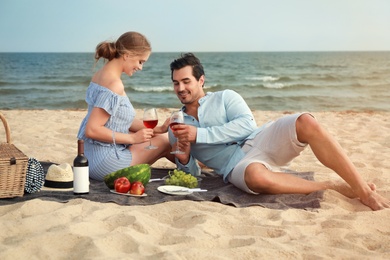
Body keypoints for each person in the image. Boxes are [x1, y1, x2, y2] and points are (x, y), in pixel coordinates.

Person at [168, 52, 390, 211]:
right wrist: (185, 157)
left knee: (306, 121)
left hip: (260, 139)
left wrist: (200, 135)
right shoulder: (175, 128)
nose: (181, 89)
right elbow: (190, 178)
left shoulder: (226, 97)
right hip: (237, 167)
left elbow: (246, 125)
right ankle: (331, 187)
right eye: (176, 83)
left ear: (201, 80)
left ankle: (364, 190)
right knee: (256, 177)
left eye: (186, 81)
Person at [77, 31, 173, 181]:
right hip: (106, 163)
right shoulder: (115, 84)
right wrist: (133, 138)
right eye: (141, 61)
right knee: (167, 140)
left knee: (161, 136)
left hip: (92, 159)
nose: (140, 67)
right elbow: (92, 130)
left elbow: (118, 119)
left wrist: (158, 129)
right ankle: (192, 168)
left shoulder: (100, 75)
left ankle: (192, 166)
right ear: (127, 55)